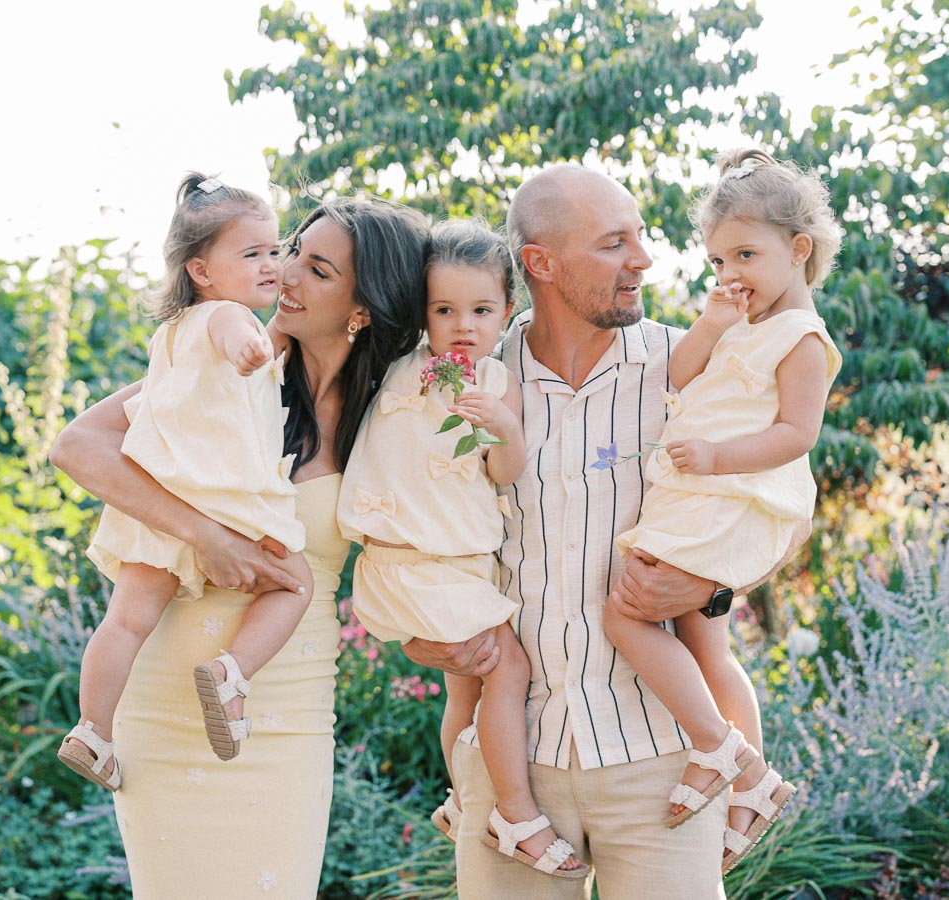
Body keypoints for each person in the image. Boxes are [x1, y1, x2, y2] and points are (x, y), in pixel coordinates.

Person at [402, 163, 810, 898]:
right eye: (615, 244)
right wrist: (414, 630)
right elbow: (405, 520)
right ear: (543, 264)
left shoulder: (690, 366)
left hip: (660, 760)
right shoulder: (470, 379)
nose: (644, 261)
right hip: (509, 768)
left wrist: (715, 586)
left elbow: (781, 497)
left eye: (641, 238)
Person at [49, 194, 428, 897]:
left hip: (283, 710)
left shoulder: (389, 415)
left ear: (362, 309)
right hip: (165, 694)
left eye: (316, 269)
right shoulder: (223, 377)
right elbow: (77, 446)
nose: (284, 274)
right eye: (288, 252)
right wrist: (203, 534)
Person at [607, 148, 842, 873]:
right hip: (701, 491)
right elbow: (678, 375)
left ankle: (718, 749)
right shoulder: (738, 321)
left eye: (745, 252)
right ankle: (755, 783)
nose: (729, 272)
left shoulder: (802, 337)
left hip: (731, 494)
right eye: (715, 260)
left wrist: (715, 456)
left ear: (798, 250)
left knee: (624, 612)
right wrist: (709, 325)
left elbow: (796, 434)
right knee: (707, 646)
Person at [334, 220, 586, 878]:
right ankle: (515, 810)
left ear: (508, 310)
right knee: (509, 668)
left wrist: (504, 426)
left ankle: (459, 793)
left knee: (465, 696)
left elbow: (505, 470)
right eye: (444, 310)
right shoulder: (399, 365)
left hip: (453, 571)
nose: (463, 325)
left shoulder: (497, 386)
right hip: (413, 564)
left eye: (480, 310)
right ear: (423, 314)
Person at [57, 173, 314, 790]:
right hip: (224, 507)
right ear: (202, 271)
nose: (272, 265)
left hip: (155, 508)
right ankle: (230, 674)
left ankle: (92, 730)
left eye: (275, 250)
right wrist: (252, 347)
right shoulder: (227, 318)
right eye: (252, 254)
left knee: (123, 622)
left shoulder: (167, 337)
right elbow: (233, 333)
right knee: (294, 586)